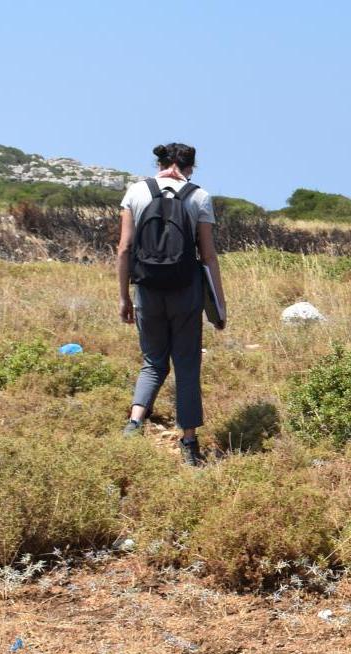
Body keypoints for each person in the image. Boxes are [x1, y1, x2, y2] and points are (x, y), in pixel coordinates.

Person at [116, 142, 225, 467]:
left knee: (152, 361)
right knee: (187, 365)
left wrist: (124, 296)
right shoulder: (199, 197)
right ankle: (189, 442)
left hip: (147, 290)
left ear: (160, 162)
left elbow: (124, 248)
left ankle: (134, 423)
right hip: (186, 291)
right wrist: (218, 306)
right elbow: (207, 256)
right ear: (190, 166)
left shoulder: (136, 192)